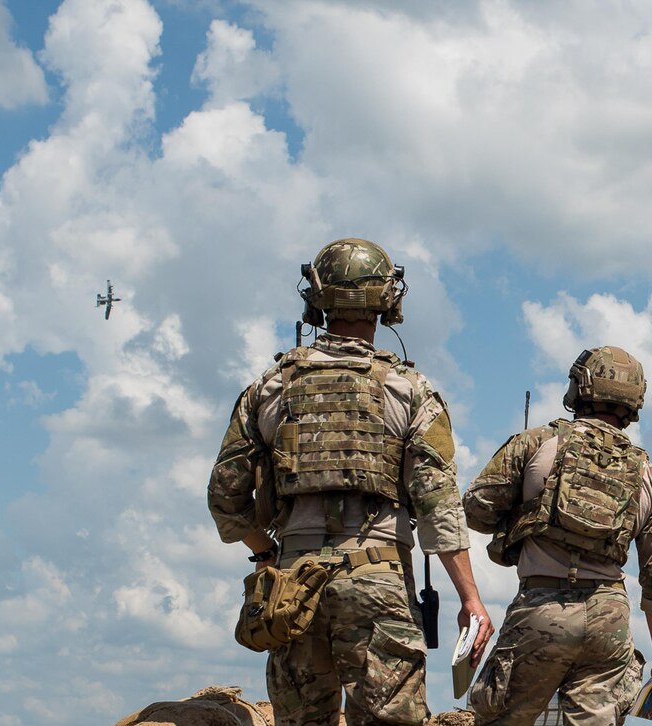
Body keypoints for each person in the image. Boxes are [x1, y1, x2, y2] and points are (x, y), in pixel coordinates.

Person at [209, 238, 493, 726]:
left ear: (316, 298)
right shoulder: (410, 390)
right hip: (378, 577)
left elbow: (225, 497)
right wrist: (470, 598)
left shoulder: (268, 388)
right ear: (388, 301)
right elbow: (438, 506)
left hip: (292, 583)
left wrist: (266, 554)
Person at [463, 346, 652, 725]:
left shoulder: (536, 443)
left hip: (542, 606)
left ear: (579, 387)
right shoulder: (645, 469)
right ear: (634, 400)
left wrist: (524, 516)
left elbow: (476, 511)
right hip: (610, 618)